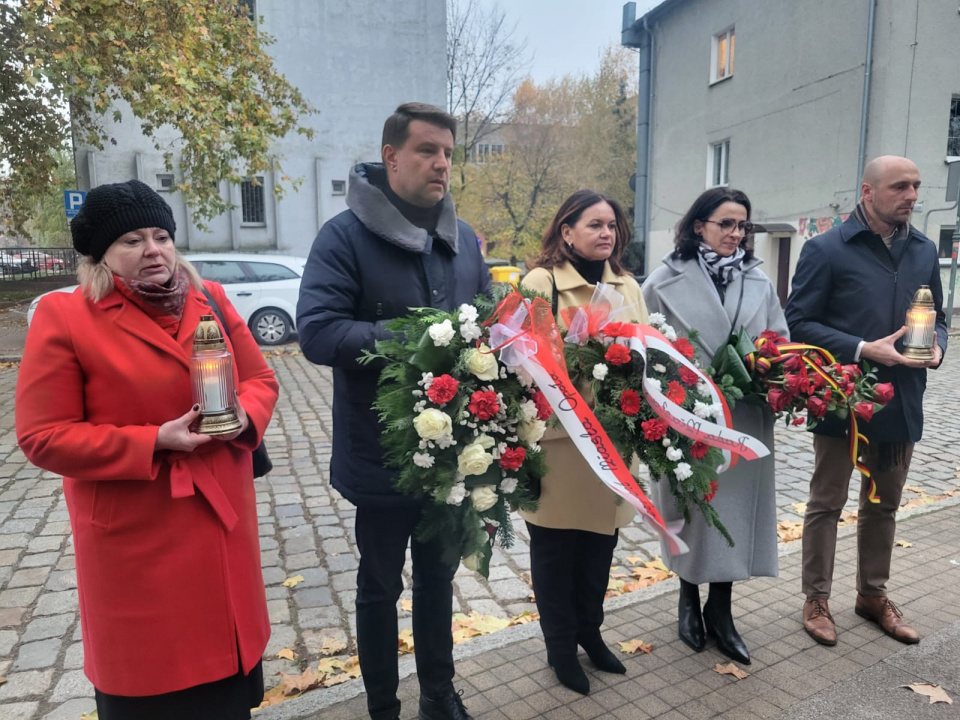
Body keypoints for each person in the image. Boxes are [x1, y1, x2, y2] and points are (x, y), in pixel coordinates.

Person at [15, 180, 279, 720]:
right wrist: (153, 441)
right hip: (138, 539)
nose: (153, 249)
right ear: (102, 255)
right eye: (132, 240)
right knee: (153, 692)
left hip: (220, 528)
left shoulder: (211, 298)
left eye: (161, 235)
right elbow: (42, 435)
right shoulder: (66, 317)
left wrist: (241, 418)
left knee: (227, 695)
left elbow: (261, 379)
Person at [297, 103, 488, 720]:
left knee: (438, 580)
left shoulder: (466, 241)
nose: (441, 164)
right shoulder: (343, 236)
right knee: (380, 586)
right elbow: (319, 334)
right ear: (391, 157)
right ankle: (383, 705)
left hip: (452, 454)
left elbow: (485, 323)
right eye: (428, 150)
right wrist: (416, 339)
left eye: (449, 154)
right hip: (380, 454)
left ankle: (438, 692)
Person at [785, 155, 946, 647]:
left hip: (901, 400)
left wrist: (938, 345)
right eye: (901, 186)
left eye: (917, 186)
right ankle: (816, 599)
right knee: (827, 503)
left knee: (885, 505)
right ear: (868, 191)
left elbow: (936, 314)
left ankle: (872, 595)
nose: (913, 196)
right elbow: (798, 322)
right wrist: (861, 348)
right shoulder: (826, 249)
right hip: (841, 399)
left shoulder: (922, 248)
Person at [642, 187, 787, 666]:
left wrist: (774, 372)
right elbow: (641, 347)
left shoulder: (758, 282)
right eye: (726, 223)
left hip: (744, 420)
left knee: (734, 516)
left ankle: (720, 610)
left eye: (742, 225)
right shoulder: (662, 280)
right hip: (686, 419)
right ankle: (687, 598)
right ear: (698, 224)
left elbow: (779, 342)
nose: (736, 234)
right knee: (693, 509)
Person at [520, 190, 647, 695]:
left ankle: (590, 634)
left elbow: (648, 349)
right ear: (566, 230)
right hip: (559, 443)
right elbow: (521, 363)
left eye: (612, 226)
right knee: (555, 552)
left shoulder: (626, 284)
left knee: (600, 547)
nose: (606, 234)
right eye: (594, 224)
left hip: (613, 442)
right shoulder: (542, 282)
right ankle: (559, 649)